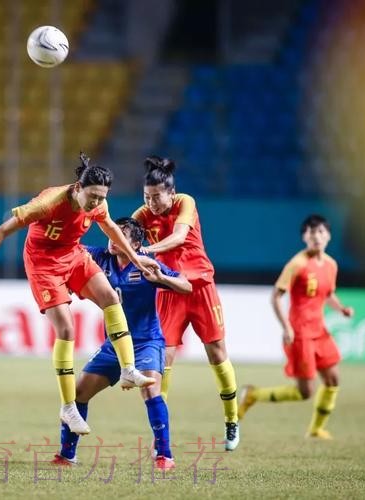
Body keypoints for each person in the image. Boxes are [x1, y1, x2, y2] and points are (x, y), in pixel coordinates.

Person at [0, 152, 160, 436]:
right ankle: (68, 407)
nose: (96, 203)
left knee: (110, 298)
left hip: (73, 255)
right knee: (66, 329)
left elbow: (111, 228)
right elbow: (2, 230)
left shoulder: (99, 203)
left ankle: (128, 369)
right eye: (92, 196)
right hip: (43, 264)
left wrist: (136, 258)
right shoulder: (47, 203)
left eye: (101, 197)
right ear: (78, 188)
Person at [50, 217, 191, 471]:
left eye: (121, 236)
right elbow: (69, 249)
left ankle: (164, 455)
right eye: (112, 234)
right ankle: (67, 455)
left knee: (151, 392)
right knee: (78, 393)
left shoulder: (146, 264)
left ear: (136, 244)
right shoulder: (99, 257)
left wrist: (162, 278)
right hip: (113, 345)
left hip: (146, 342)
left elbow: (186, 286)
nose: (113, 240)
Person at [132, 156, 240, 451]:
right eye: (146, 196)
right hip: (168, 289)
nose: (151, 203)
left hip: (200, 286)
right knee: (162, 361)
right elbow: (125, 239)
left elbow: (179, 237)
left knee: (217, 354)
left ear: (171, 192)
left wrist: (146, 251)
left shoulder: (185, 202)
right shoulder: (142, 215)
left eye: (156, 196)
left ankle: (232, 420)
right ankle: (161, 436)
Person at [238, 214, 353, 439]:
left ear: (328, 236)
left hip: (320, 331)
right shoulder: (297, 264)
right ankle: (253, 395)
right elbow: (275, 297)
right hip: (300, 333)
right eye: (311, 233)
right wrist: (287, 327)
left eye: (320, 232)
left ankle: (316, 429)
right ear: (304, 237)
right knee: (305, 392)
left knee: (333, 380)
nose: (316, 237)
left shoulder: (331, 264)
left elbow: (328, 294)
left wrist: (341, 309)